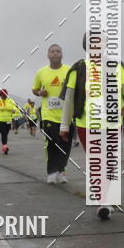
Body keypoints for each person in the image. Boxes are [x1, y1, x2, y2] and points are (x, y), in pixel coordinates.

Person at [60, 34, 124, 220]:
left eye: (100, 40)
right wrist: (64, 124)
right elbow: (69, 99)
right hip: (86, 124)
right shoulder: (78, 68)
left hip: (112, 122)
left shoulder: (115, 65)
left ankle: (103, 198)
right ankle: (104, 201)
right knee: (96, 161)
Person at [32, 44, 71, 184]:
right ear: (48, 55)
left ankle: (60, 172)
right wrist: (40, 92)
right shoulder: (41, 72)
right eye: (52, 51)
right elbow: (34, 89)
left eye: (58, 51)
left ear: (62, 54)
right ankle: (51, 172)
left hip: (67, 115)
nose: (55, 53)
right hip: (49, 115)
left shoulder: (69, 71)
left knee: (65, 146)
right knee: (52, 143)